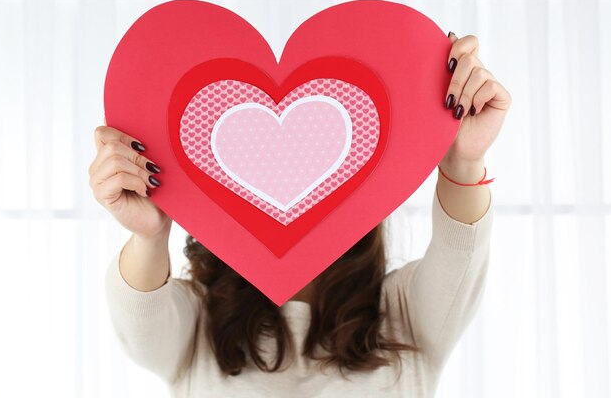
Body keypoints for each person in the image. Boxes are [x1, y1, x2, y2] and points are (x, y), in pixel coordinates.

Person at [89, 32, 511, 397]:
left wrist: (463, 163)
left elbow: (462, 253)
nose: (295, 198)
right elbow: (139, 321)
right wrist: (149, 235)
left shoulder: (405, 314)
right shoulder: (198, 320)